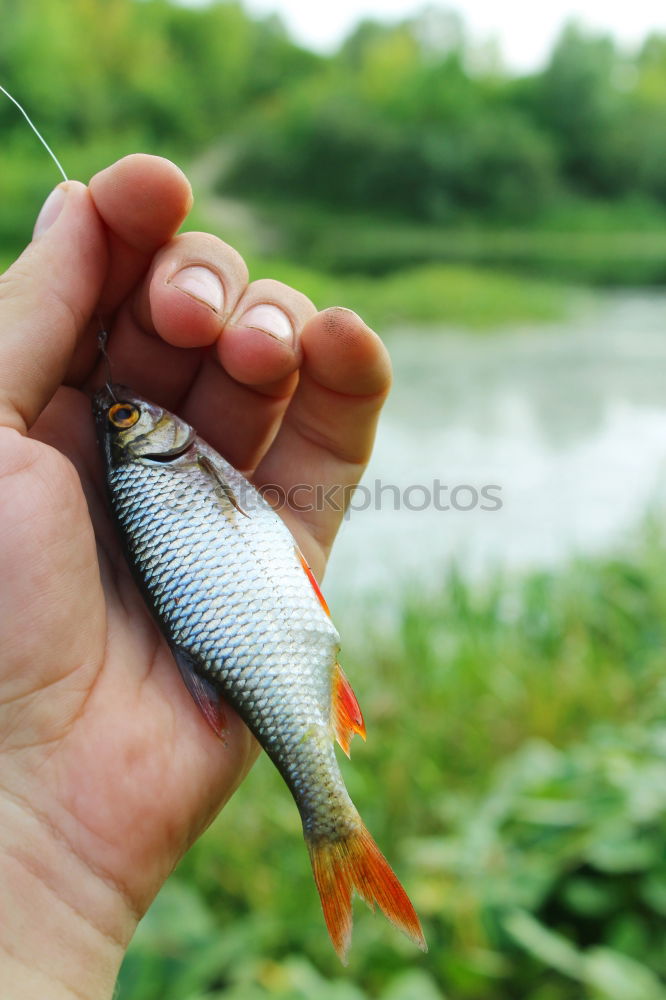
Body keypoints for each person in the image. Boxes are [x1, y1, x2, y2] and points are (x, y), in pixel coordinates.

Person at [0, 154, 391, 998]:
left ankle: (335, 831)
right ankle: (337, 833)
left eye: (124, 417)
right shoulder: (156, 463)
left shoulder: (154, 466)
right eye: (127, 419)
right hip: (254, 629)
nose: (131, 417)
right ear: (157, 441)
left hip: (249, 628)